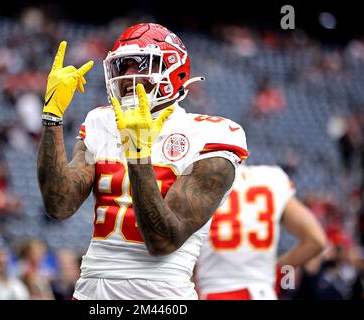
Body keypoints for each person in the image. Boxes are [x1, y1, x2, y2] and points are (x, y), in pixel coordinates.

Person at [37, 23, 248, 299]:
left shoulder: (211, 134)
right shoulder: (101, 121)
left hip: (158, 295)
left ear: (173, 70)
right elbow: (59, 204)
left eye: (138, 65)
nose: (126, 76)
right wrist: (52, 116)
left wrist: (137, 154)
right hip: (90, 291)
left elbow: (163, 240)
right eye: (121, 67)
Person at [195, 164, 327, 300]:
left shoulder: (197, 181)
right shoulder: (272, 178)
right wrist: (277, 270)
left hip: (215, 292)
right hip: (262, 293)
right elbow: (316, 240)